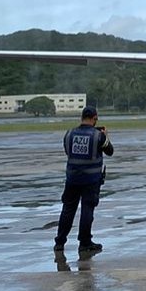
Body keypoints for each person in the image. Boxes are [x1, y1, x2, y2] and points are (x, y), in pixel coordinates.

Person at [55, 106, 114, 253]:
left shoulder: (69, 134)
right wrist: (106, 136)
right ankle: (84, 242)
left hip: (72, 179)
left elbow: (68, 152)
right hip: (91, 179)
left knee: (67, 210)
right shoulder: (98, 136)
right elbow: (110, 151)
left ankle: (60, 242)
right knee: (87, 210)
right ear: (94, 118)